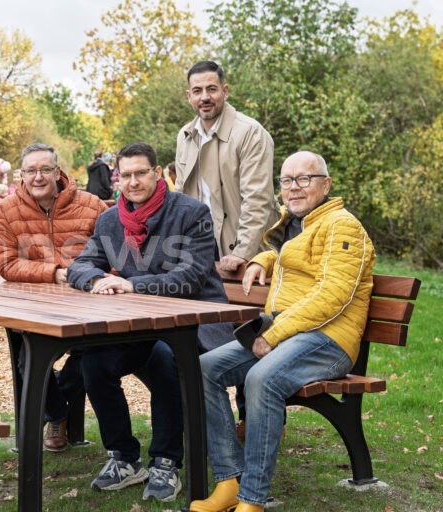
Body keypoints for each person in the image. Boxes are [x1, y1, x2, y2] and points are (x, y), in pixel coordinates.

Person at [190, 151, 376, 512]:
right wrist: (263, 258)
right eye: (287, 180)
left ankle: (253, 499)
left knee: (262, 379)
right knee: (205, 368)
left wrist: (272, 335)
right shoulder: (298, 224)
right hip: (291, 334)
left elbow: (332, 296)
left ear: (326, 184)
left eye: (304, 178)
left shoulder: (343, 225)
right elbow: (294, 257)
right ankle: (229, 480)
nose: (294, 187)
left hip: (328, 340)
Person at [67, 142, 233, 502]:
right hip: (140, 325)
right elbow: (80, 265)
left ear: (158, 174)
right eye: (125, 175)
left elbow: (191, 276)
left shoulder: (192, 213)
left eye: (141, 173)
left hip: (197, 322)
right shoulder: (111, 219)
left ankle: (166, 461)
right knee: (94, 361)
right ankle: (125, 457)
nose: (133, 181)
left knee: (165, 357)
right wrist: (96, 280)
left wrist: (132, 283)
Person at [0, 142, 107, 452]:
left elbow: (111, 255)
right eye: (31, 171)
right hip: (34, 305)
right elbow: (6, 263)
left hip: (88, 305)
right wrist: (53, 271)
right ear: (21, 174)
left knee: (92, 355)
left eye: (45, 169)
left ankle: (60, 408)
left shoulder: (92, 205)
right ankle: (58, 414)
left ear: (57, 172)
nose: (38, 177)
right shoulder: (6, 209)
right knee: (28, 358)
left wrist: (85, 277)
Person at [175, 60, 279, 272]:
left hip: (244, 248)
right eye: (197, 91)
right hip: (200, 246)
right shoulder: (185, 135)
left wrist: (243, 251)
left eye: (211, 89)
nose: (204, 97)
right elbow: (180, 195)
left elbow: (257, 198)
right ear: (189, 97)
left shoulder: (250, 133)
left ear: (225, 91)